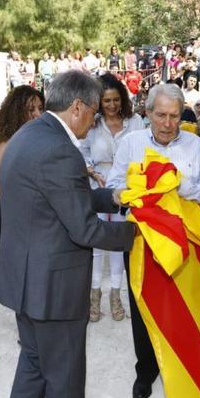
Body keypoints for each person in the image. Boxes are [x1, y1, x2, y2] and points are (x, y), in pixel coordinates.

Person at [0, 70, 135, 398]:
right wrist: (138, 235)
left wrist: (114, 198)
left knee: (34, 367)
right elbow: (85, 230)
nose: (95, 121)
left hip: (26, 281)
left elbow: (59, 197)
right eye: (93, 112)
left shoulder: (30, 134)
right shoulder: (61, 149)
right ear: (77, 107)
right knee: (65, 372)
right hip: (53, 288)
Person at [107, 83, 200, 398]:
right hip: (142, 242)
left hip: (187, 241)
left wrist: (183, 187)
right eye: (161, 115)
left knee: (186, 305)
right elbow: (115, 186)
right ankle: (146, 369)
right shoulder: (130, 144)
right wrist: (127, 195)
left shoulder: (195, 145)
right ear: (147, 113)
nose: (168, 123)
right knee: (143, 306)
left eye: (174, 116)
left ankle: (187, 368)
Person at [80, 73, 144, 322]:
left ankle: (116, 295)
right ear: (99, 101)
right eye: (106, 101)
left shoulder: (135, 121)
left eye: (116, 100)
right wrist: (92, 171)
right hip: (97, 185)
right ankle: (94, 296)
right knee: (96, 243)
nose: (112, 105)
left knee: (119, 242)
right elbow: (81, 150)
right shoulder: (92, 123)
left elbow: (143, 151)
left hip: (125, 189)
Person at [0, 86, 45, 238]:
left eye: (40, 108)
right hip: (13, 212)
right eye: (31, 109)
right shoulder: (7, 143)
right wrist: (28, 201)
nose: (38, 114)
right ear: (17, 112)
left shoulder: (40, 139)